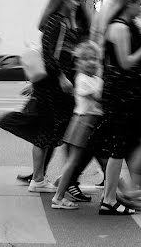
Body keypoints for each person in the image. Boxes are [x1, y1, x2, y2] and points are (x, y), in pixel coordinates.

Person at [0, 0, 80, 193]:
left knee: (48, 131)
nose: (77, 2)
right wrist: (62, 78)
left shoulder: (58, 22)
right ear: (63, 0)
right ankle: (40, 179)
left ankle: (43, 178)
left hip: (50, 86)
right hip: (54, 87)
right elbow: (50, 55)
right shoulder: (58, 23)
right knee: (48, 131)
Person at [89, 0, 141, 215]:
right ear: (130, 3)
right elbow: (126, 62)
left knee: (115, 146)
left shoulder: (116, 25)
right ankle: (109, 200)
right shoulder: (120, 27)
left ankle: (112, 196)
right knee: (116, 148)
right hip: (119, 93)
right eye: (139, 3)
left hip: (115, 90)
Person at [52, 40, 103, 210]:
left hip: (92, 123)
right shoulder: (82, 79)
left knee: (98, 160)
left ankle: (61, 183)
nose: (92, 62)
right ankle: (58, 197)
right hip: (83, 122)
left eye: (95, 58)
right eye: (87, 59)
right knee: (73, 161)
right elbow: (98, 98)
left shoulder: (95, 78)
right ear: (79, 62)